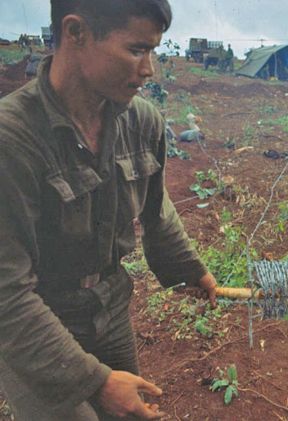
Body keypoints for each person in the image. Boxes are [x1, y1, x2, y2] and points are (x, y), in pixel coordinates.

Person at [0, 1, 219, 420]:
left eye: (153, 51)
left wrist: (189, 270)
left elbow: (157, 210)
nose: (149, 68)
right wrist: (95, 383)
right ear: (76, 33)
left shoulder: (143, 122)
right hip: (36, 321)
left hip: (109, 306)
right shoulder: (13, 140)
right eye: (137, 50)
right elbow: (6, 295)